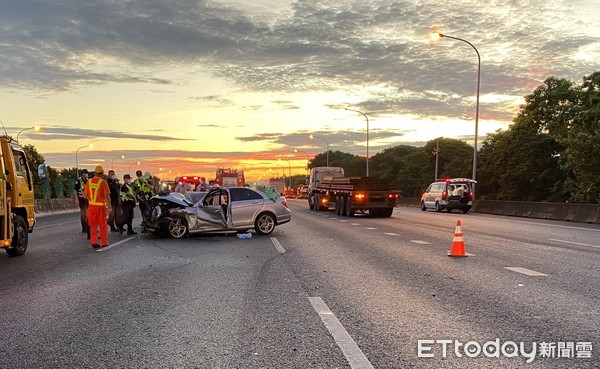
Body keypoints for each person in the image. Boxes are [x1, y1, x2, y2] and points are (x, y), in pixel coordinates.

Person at [83, 165, 111, 248]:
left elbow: (85, 194)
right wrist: (109, 206)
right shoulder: (103, 182)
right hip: (101, 207)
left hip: (91, 207)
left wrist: (91, 201)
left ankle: (94, 241)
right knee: (103, 225)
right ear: (102, 174)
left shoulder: (89, 182)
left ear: (95, 173)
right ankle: (104, 242)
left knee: (93, 225)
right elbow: (106, 196)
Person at [74, 169, 89, 237]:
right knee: (83, 213)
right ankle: (84, 228)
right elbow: (75, 190)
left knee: (88, 213)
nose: (86, 174)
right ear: (82, 174)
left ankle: (89, 227)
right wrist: (76, 199)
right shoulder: (78, 180)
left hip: (87, 199)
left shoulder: (88, 180)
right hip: (81, 198)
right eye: (85, 173)